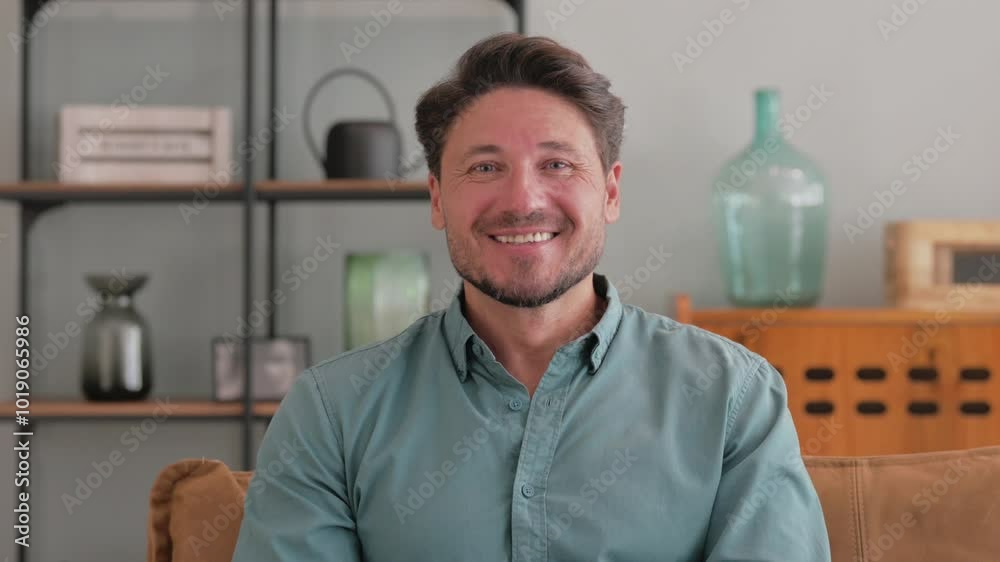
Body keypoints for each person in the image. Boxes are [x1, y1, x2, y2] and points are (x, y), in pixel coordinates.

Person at [231, 32, 831, 561]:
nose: (523, 201)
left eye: (558, 164)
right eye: (486, 168)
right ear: (438, 198)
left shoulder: (735, 400)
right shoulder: (330, 414)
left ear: (611, 192)